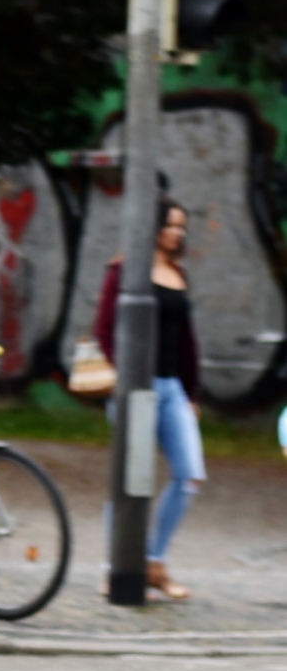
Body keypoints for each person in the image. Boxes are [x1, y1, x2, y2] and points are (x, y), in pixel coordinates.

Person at [91, 199, 202, 600]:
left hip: (172, 389)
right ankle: (115, 569)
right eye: (171, 225)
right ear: (152, 227)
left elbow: (187, 342)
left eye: (182, 227)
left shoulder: (177, 273)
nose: (178, 233)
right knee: (127, 482)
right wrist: (122, 379)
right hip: (134, 389)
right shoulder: (123, 270)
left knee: (188, 477)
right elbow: (103, 330)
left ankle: (155, 562)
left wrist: (190, 393)